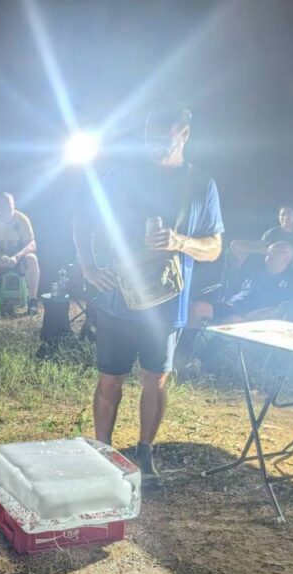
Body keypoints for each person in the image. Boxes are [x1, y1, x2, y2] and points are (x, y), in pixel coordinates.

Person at [73, 102, 223, 490]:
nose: (153, 144)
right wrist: (89, 268)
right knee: (110, 379)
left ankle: (144, 453)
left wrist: (179, 241)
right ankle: (103, 452)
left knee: (155, 380)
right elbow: (83, 218)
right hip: (117, 299)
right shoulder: (122, 175)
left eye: (162, 136)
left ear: (184, 135)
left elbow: (214, 246)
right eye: (148, 137)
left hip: (168, 303)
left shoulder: (200, 184)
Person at [0, 192, 41, 315]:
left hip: (19, 261)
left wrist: (17, 257)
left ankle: (32, 301)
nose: (5, 206)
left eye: (8, 203)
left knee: (32, 259)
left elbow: (32, 244)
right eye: (2, 204)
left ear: (13, 204)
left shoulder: (22, 219)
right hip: (0, 261)